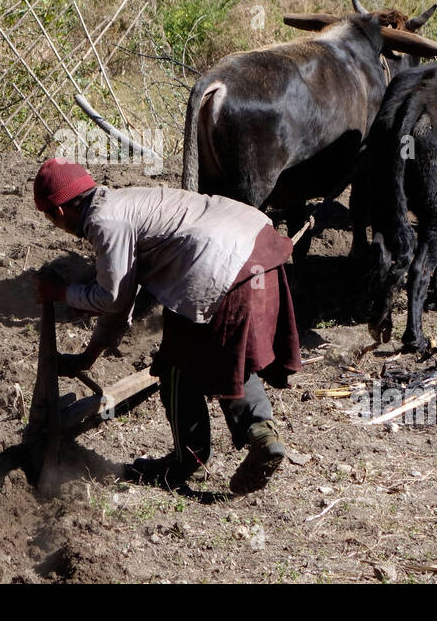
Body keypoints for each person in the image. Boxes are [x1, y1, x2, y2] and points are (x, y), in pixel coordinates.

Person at [30, 158, 302, 493]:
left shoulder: (105, 222)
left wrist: (62, 293)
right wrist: (89, 357)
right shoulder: (123, 201)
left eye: (48, 217)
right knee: (232, 353)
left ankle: (189, 462)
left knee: (176, 366)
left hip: (220, 265)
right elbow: (121, 298)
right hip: (258, 250)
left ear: (58, 212)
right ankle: (261, 433)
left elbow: (113, 298)